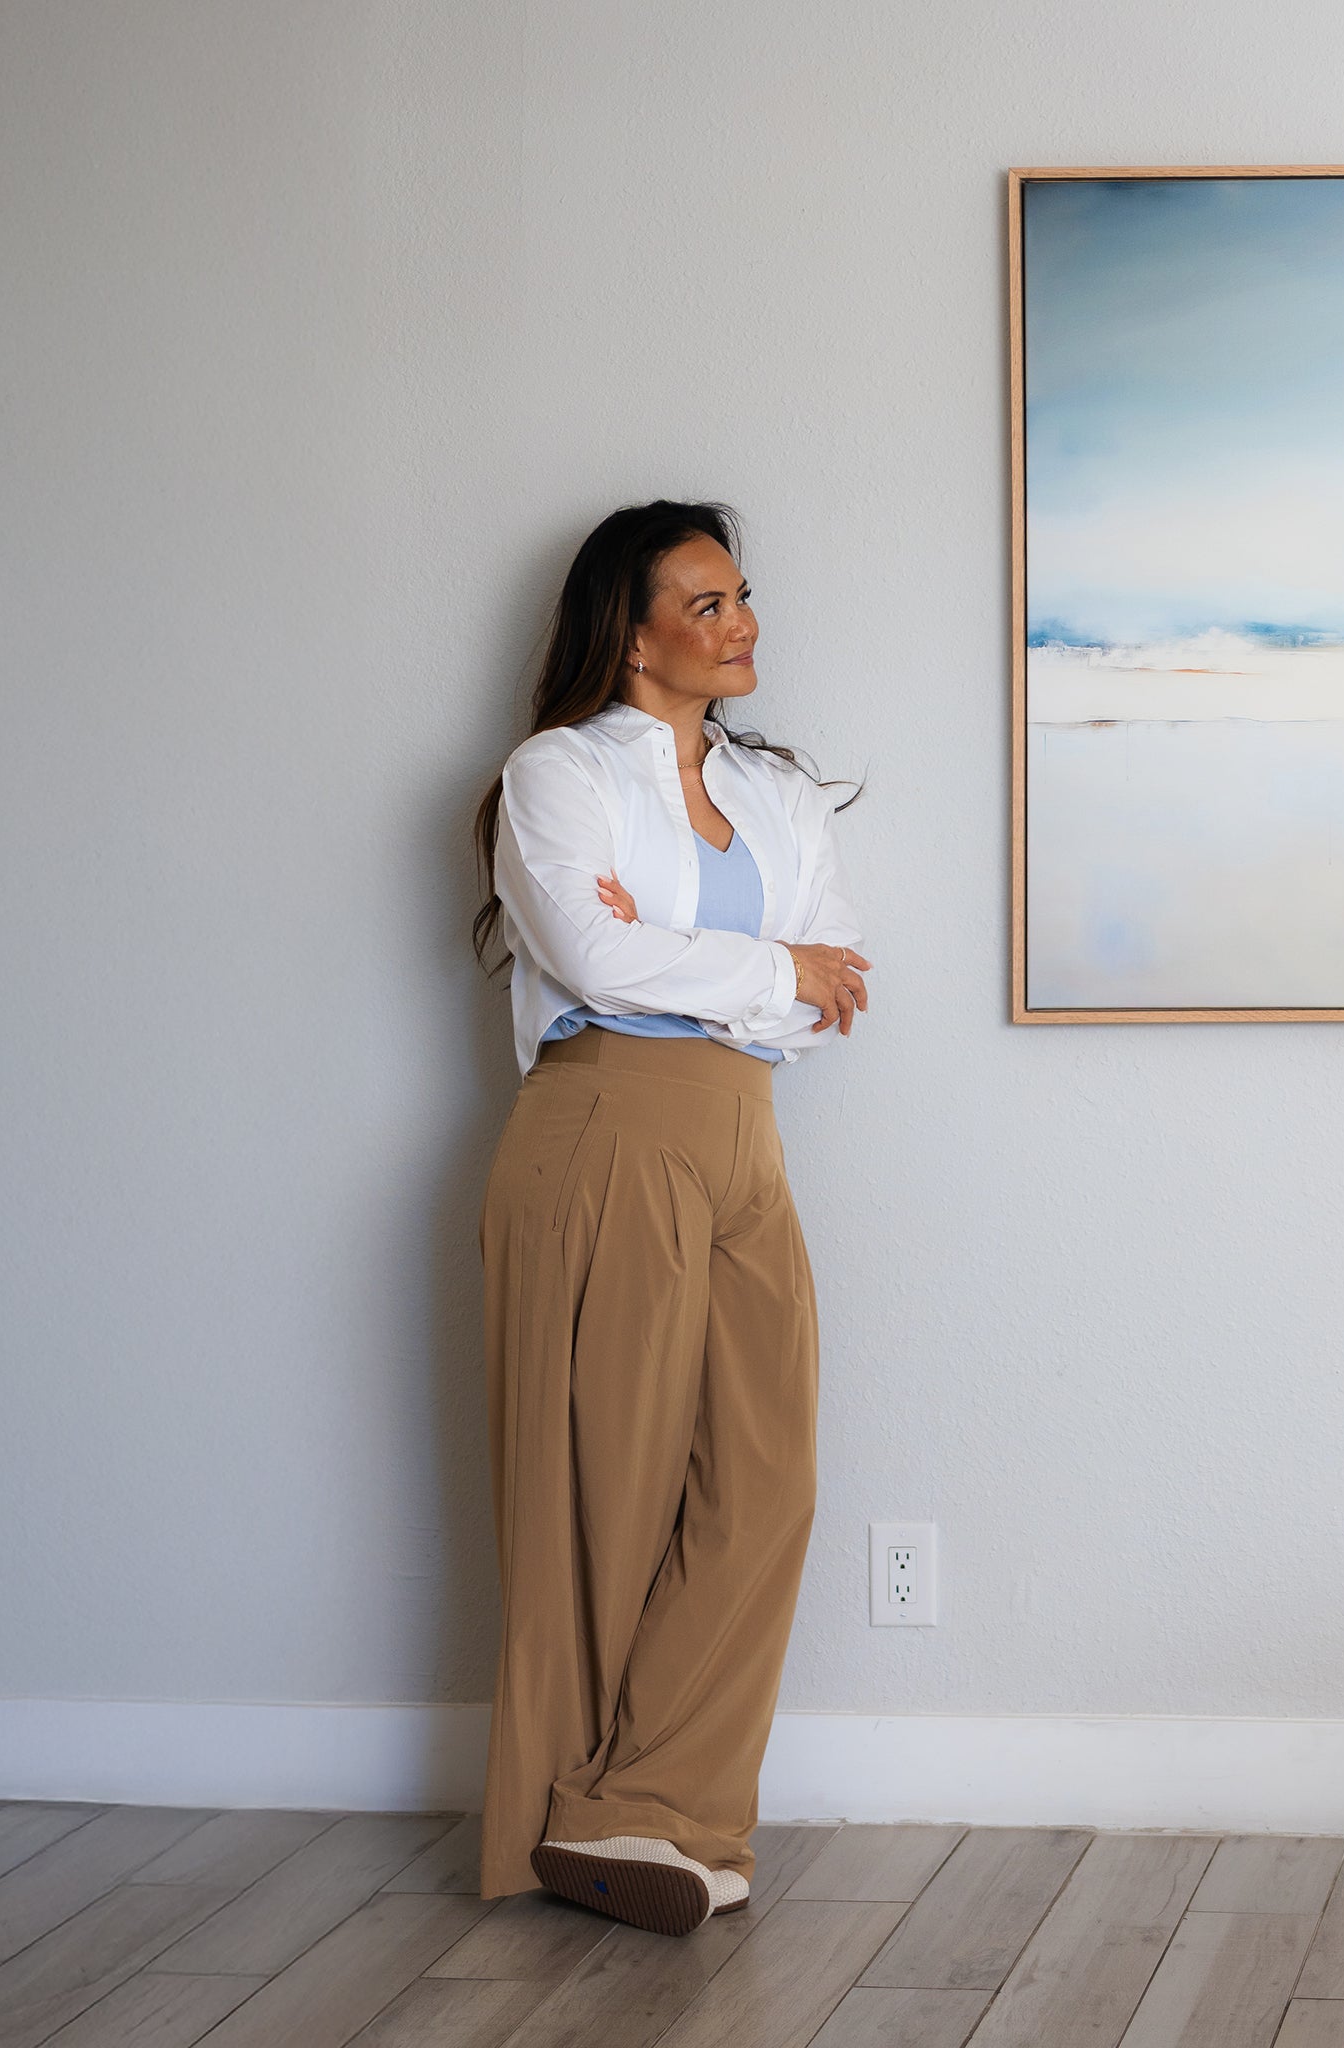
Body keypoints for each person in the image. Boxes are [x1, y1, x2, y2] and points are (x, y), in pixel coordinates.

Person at [467, 499, 869, 1933]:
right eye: (704, 604)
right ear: (630, 635)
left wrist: (693, 955)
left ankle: (653, 1808)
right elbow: (589, 953)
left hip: (744, 1132)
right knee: (606, 1489)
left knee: (764, 1479)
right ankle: (570, 1821)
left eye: (742, 594)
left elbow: (836, 989)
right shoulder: (557, 774)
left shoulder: (781, 794)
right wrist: (764, 963)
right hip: (605, 1123)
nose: (740, 621)